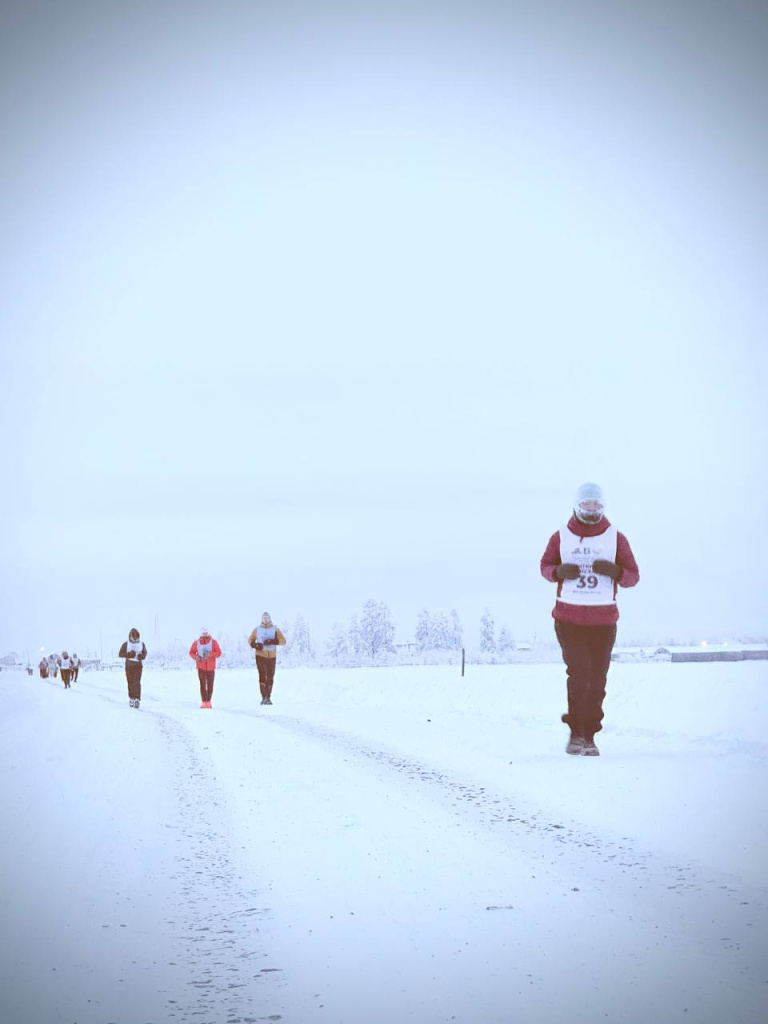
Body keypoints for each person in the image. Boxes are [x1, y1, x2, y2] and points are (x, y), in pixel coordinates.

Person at [540, 482, 640, 756]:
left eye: (596, 506)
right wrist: (559, 571)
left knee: (597, 679)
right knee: (579, 673)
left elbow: (633, 576)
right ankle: (576, 734)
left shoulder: (615, 538)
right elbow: (545, 567)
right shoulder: (561, 537)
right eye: (587, 505)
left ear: (603, 507)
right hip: (569, 618)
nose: (591, 510)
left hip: (603, 620)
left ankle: (590, 734)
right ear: (577, 505)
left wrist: (616, 571)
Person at [247, 613, 286, 705]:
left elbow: (283, 641)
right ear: (261, 619)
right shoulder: (257, 629)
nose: (265, 620)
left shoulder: (275, 629)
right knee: (262, 676)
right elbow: (250, 640)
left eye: (267, 618)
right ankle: (263, 697)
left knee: (270, 676)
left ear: (270, 619)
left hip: (272, 656)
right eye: (264, 618)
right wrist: (256, 645)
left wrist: (273, 641)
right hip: (260, 655)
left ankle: (268, 697)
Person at [188, 628, 221, 709]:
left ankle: (208, 701)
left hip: (211, 668)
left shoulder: (214, 642)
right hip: (201, 667)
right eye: (203, 633)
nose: (205, 635)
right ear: (200, 634)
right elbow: (191, 652)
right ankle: (203, 702)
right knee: (202, 685)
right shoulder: (196, 643)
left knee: (210, 685)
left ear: (209, 633)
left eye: (206, 633)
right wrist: (196, 657)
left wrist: (210, 654)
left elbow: (219, 653)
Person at [118, 628, 147, 709]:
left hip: (138, 666)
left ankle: (137, 699)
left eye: (136, 636)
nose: (134, 638)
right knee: (130, 682)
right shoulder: (126, 644)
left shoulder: (142, 644)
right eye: (133, 636)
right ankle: (131, 698)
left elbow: (145, 653)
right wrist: (129, 654)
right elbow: (120, 654)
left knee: (137, 682)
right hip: (129, 666)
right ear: (130, 636)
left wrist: (142, 656)